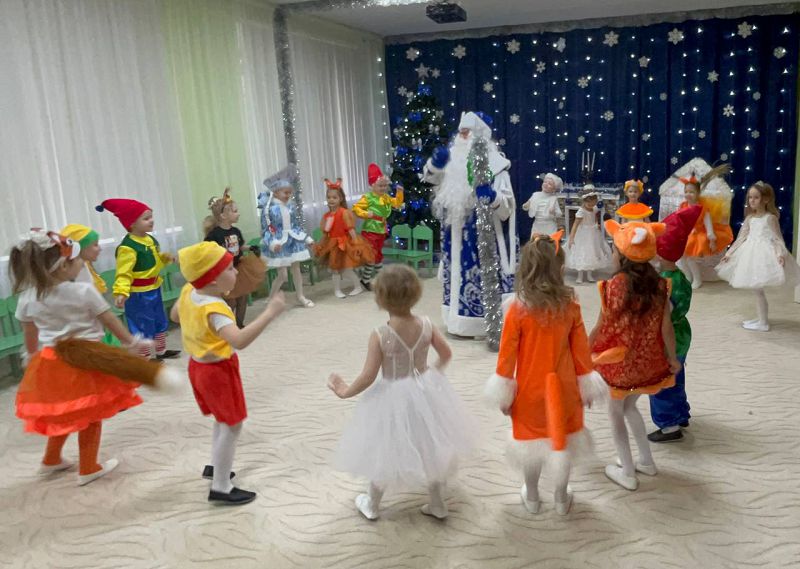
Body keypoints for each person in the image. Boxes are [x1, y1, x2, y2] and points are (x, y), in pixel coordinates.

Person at [328, 265, 476, 520]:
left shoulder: (380, 334)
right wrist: (432, 376)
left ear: (381, 299)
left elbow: (368, 376)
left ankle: (372, 504)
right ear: (416, 293)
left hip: (392, 396)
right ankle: (437, 503)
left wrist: (345, 391)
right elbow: (446, 354)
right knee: (430, 445)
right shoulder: (427, 324)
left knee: (385, 449)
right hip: (424, 390)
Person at [11, 230, 156, 486]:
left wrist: (30, 356)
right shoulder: (82, 291)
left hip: (50, 361)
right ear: (63, 265)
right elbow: (109, 320)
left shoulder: (28, 297)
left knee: (65, 411)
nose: (81, 263)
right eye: (78, 260)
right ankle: (89, 467)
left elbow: (29, 333)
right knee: (90, 413)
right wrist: (131, 343)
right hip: (87, 360)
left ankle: (51, 459)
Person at [485, 232, 607, 515]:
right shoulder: (571, 306)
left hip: (530, 391)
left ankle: (532, 495)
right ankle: (562, 497)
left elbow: (506, 358)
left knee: (531, 442)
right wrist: (587, 388)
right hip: (566, 390)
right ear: (560, 270)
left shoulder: (517, 310)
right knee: (563, 438)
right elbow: (580, 351)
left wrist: (504, 396)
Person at [171, 242, 285, 505]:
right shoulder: (216, 308)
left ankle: (215, 467)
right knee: (233, 424)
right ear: (212, 278)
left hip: (197, 367)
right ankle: (221, 486)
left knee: (222, 420)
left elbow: (175, 316)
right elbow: (240, 340)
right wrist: (269, 313)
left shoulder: (189, 290)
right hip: (217, 372)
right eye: (230, 269)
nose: (236, 272)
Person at [589, 220, 681, 491]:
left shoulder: (613, 286)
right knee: (630, 407)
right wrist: (672, 358)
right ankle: (646, 461)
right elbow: (666, 327)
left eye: (614, 250)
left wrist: (585, 351)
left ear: (622, 255)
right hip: (649, 363)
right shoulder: (660, 285)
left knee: (615, 413)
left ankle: (627, 472)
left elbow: (601, 326)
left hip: (619, 365)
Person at [423, 111, 517, 336]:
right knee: (455, 276)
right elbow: (430, 179)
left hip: (482, 237)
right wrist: (435, 165)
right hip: (454, 233)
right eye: (461, 132)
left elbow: (507, 209)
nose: (462, 135)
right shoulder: (451, 161)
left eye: (468, 132)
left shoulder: (497, 167)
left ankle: (482, 325)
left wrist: (492, 197)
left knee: (480, 278)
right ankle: (455, 322)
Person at [96, 198, 180, 359]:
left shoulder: (150, 239)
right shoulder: (128, 247)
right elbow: (123, 273)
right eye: (146, 218)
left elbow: (153, 259)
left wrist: (165, 258)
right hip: (138, 294)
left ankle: (161, 351)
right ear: (132, 223)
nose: (151, 221)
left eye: (151, 217)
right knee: (142, 325)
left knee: (159, 320)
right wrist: (121, 292)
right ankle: (144, 357)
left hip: (154, 289)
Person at [649, 205, 703, 442]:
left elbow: (662, 318)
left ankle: (669, 425)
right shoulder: (680, 277)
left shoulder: (663, 284)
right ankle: (681, 413)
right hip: (682, 334)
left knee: (662, 382)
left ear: (661, 252)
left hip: (666, 339)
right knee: (677, 375)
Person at [716, 182, 800, 332]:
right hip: (750, 253)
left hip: (763, 255)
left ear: (766, 199)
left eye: (756, 197)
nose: (752, 201)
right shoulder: (750, 218)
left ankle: (763, 323)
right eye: (750, 197)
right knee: (757, 290)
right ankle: (761, 319)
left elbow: (777, 239)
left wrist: (780, 254)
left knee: (758, 290)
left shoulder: (770, 218)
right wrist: (729, 253)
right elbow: (741, 238)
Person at [260, 165, 316, 308]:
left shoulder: (290, 207)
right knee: (283, 275)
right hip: (279, 243)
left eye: (290, 193)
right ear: (276, 192)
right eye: (285, 192)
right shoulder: (269, 210)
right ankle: (271, 297)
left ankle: (300, 296)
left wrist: (306, 239)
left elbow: (295, 226)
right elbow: (266, 229)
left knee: (296, 269)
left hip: (293, 242)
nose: (288, 195)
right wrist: (273, 243)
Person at [204, 188, 258, 327]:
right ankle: (227, 325)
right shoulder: (214, 234)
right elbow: (208, 251)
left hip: (238, 268)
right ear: (223, 215)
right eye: (234, 211)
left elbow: (240, 246)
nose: (238, 213)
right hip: (224, 272)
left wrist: (251, 248)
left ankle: (240, 324)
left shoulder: (236, 231)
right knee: (231, 300)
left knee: (242, 297)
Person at [314, 178, 375, 298]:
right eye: (329, 197)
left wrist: (356, 243)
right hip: (332, 244)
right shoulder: (327, 215)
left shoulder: (344, 212)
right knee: (335, 269)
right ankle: (337, 290)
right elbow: (326, 232)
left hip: (345, 242)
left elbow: (350, 228)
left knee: (346, 270)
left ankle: (357, 286)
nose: (331, 200)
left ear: (340, 199)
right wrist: (321, 244)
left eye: (334, 197)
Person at [677, 166, 734, 289]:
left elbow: (708, 224)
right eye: (686, 192)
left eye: (691, 192)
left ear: (698, 193)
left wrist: (711, 238)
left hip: (698, 235)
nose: (688, 194)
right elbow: (680, 221)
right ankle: (688, 277)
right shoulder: (683, 206)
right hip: (686, 234)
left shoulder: (702, 208)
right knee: (681, 256)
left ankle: (697, 279)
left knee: (691, 258)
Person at [352, 164, 404, 291]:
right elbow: (356, 208)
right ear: (373, 185)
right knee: (371, 256)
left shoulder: (385, 197)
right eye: (380, 186)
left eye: (385, 185)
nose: (383, 188)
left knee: (378, 256)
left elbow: (397, 204)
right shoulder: (368, 197)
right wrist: (366, 214)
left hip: (381, 230)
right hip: (370, 230)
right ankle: (368, 279)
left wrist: (399, 193)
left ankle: (376, 279)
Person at [566, 185, 612, 283]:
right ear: (584, 201)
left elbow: (595, 217)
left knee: (592, 252)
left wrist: (596, 224)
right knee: (581, 252)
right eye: (589, 204)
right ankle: (580, 275)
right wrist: (571, 238)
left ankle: (589, 275)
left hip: (593, 233)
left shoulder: (594, 208)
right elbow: (575, 225)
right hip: (583, 234)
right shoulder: (581, 212)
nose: (591, 206)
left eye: (593, 203)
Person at [522, 173, 563, 237]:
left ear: (554, 189)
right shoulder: (535, 195)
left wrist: (553, 212)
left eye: (549, 184)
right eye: (545, 182)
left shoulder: (553, 198)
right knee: (536, 241)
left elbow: (559, 214)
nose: (546, 184)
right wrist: (526, 206)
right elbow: (526, 207)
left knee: (549, 241)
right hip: (537, 225)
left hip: (549, 226)